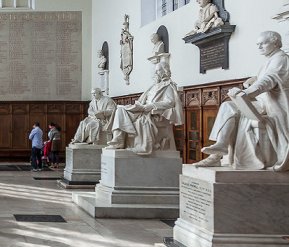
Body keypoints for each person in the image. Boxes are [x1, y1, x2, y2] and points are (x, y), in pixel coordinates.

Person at [194, 31, 289, 170]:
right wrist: (252, 81)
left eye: (263, 43)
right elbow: (263, 79)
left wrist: (247, 92)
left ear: (275, 43)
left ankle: (218, 153)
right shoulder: (271, 59)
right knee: (228, 106)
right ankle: (219, 149)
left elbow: (270, 80)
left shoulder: (281, 59)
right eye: (258, 44)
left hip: (273, 108)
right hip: (262, 104)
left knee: (234, 110)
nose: (259, 47)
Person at [106, 61, 183, 155]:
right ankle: (118, 140)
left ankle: (137, 144)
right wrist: (137, 106)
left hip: (154, 113)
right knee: (120, 110)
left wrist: (151, 106)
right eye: (155, 71)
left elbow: (170, 102)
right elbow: (143, 100)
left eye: (158, 71)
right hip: (143, 109)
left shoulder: (168, 86)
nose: (155, 73)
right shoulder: (153, 86)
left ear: (164, 71)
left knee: (140, 121)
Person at [120, 15, 134, 85]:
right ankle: (125, 67)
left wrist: (128, 40)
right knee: (124, 60)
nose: (125, 26)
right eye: (124, 25)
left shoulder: (127, 34)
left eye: (125, 25)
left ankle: (126, 68)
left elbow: (130, 38)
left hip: (127, 48)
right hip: (124, 49)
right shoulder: (122, 34)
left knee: (128, 60)